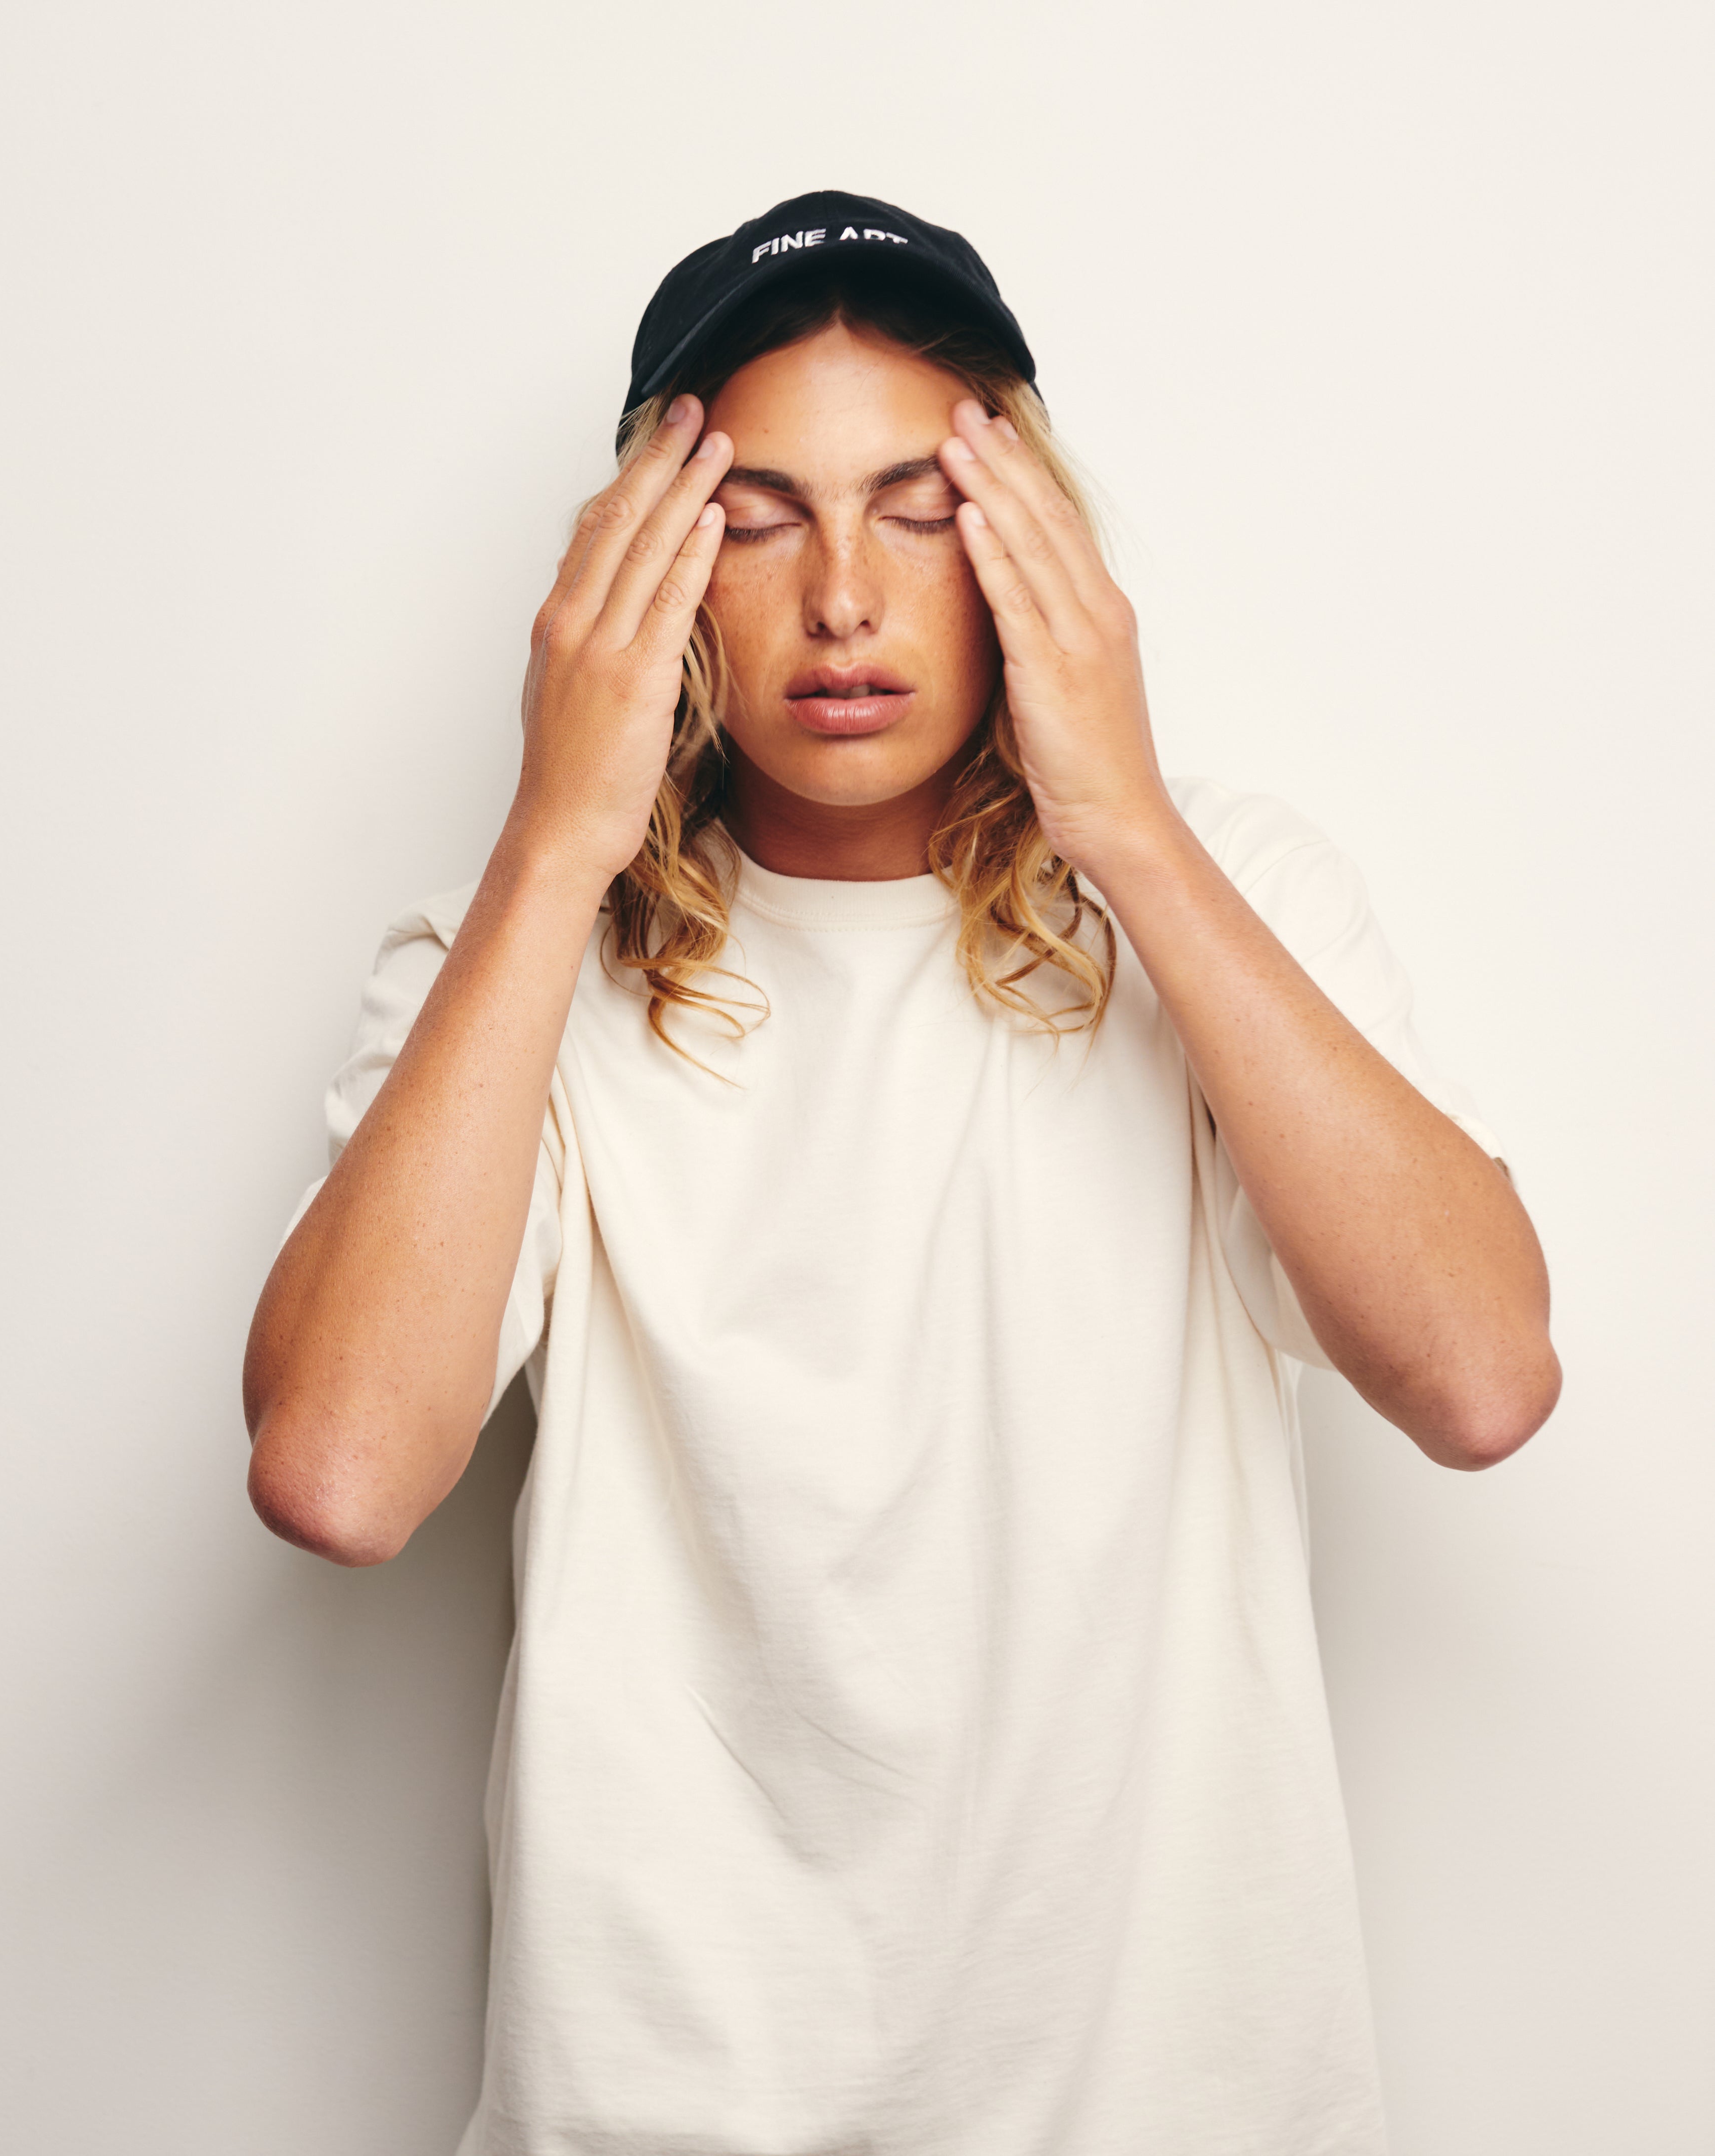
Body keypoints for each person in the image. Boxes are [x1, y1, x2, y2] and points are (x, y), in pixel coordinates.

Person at [243, 191, 1561, 2155]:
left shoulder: (1233, 902)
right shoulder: (501, 967)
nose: (843, 597)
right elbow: (338, 1473)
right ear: (647, 577)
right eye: (755, 520)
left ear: (1028, 546)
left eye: (921, 511)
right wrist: (550, 844)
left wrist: (1120, 816)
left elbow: (1482, 1379)